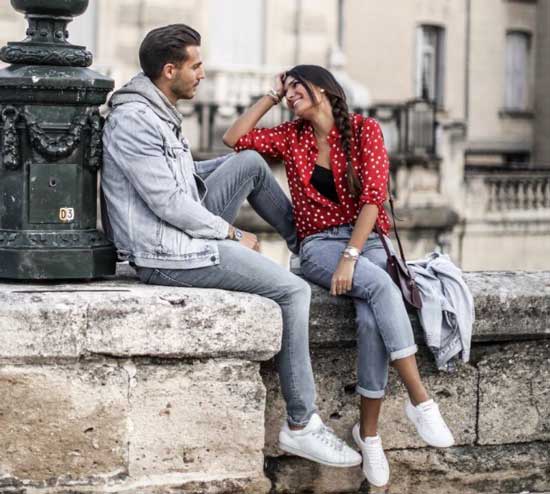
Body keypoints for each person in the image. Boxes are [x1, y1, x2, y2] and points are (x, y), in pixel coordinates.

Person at [101, 25, 361, 469]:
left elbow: (178, 181)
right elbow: (167, 203)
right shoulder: (135, 120)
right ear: (170, 71)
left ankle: (311, 246)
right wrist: (231, 233)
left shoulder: (155, 107)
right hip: (168, 254)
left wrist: (229, 164)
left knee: (251, 163)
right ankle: (301, 424)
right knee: (293, 292)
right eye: (195, 66)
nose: (202, 73)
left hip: (176, 230)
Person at [223, 65, 455, 488]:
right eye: (287, 87)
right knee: (381, 288)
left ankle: (368, 436)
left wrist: (351, 256)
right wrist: (270, 96)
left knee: (371, 317)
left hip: (364, 240)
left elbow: (372, 199)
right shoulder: (292, 136)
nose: (291, 94)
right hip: (318, 246)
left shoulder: (365, 131)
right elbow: (234, 139)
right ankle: (421, 401)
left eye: (298, 87)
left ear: (326, 91)